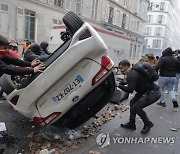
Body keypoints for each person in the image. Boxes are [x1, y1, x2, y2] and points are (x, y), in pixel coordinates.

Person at [117, 59, 160, 134]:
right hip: (144, 91)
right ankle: (131, 123)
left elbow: (130, 89)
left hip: (152, 92)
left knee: (137, 107)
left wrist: (118, 85)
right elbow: (125, 82)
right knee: (132, 102)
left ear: (126, 66)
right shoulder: (132, 72)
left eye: (121, 68)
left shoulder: (132, 74)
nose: (120, 70)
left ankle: (148, 124)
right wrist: (119, 83)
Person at [0, 35, 45, 100]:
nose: (6, 50)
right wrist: (32, 70)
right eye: (4, 48)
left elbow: (13, 60)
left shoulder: (2, 55)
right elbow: (8, 69)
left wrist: (30, 64)